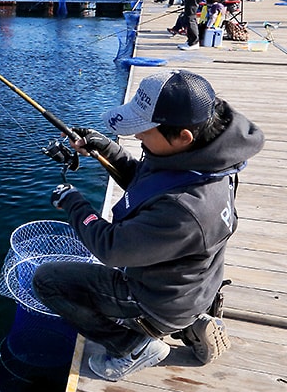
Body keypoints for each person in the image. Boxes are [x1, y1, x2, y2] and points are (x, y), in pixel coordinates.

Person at [34, 69, 264, 382]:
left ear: (183, 136)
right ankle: (189, 320)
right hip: (189, 284)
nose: (137, 136)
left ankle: (133, 344)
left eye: (144, 129)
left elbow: (111, 248)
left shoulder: (186, 208)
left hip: (158, 297)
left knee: (47, 281)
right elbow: (149, 187)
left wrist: (73, 202)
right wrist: (104, 147)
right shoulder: (204, 159)